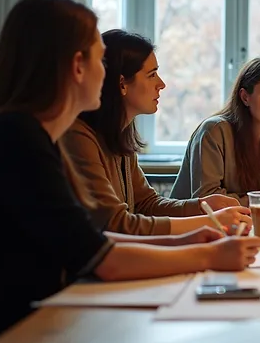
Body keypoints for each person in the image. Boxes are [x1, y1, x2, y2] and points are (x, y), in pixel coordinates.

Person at [0, 0, 260, 343]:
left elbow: (87, 241)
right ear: (77, 66)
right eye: (101, 57)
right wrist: (207, 255)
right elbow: (104, 259)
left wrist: (183, 240)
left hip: (23, 329)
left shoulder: (26, 133)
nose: (107, 70)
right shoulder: (16, 140)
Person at [63, 30, 249, 235]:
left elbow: (146, 204)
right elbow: (116, 224)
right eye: (152, 75)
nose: (161, 84)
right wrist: (208, 222)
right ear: (122, 83)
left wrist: (202, 205)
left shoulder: (120, 134)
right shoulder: (78, 137)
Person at [171, 57, 260, 210]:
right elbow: (207, 201)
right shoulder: (214, 131)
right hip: (191, 228)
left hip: (245, 225)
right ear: (245, 97)